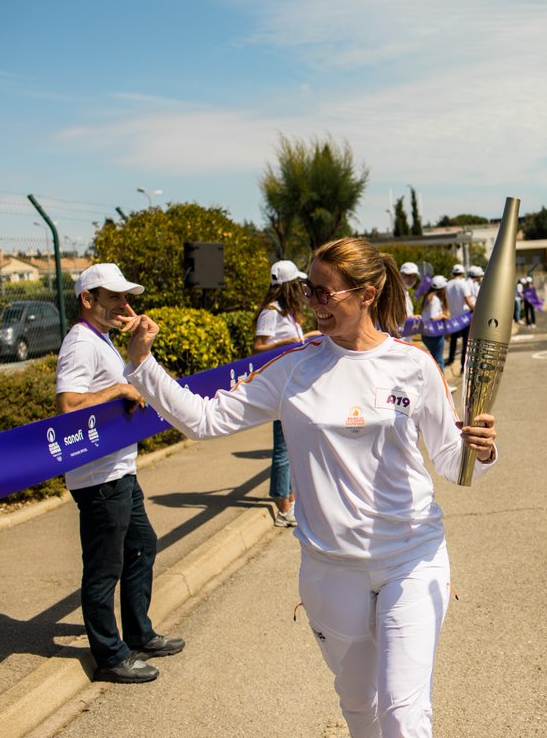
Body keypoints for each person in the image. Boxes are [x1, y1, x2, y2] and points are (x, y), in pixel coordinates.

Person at [120, 238, 499, 737]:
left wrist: (482, 450)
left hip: (412, 555)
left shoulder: (413, 364)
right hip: (330, 568)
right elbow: (207, 421)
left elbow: (452, 461)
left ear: (368, 293)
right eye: (308, 291)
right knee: (360, 705)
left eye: (325, 293)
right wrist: (144, 365)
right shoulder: (294, 367)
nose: (312, 304)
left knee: (405, 714)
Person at [55, 263, 184, 684]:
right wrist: (119, 390)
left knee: (142, 546)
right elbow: (69, 406)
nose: (124, 305)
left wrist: (141, 348)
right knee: (104, 566)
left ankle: (138, 634)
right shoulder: (80, 343)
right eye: (114, 298)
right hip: (98, 477)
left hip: (119, 468)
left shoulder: (103, 339)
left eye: (126, 298)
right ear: (87, 300)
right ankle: (110, 656)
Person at [254, 259, 321, 527]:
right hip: (281, 387)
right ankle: (283, 505)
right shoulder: (271, 312)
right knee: (283, 448)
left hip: (294, 384)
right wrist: (289, 342)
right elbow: (258, 347)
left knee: (293, 445)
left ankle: (291, 499)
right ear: (288, 286)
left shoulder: (286, 312)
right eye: (297, 284)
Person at [444, 263, 475, 374]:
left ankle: (451, 359)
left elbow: (445, 302)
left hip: (453, 317)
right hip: (464, 318)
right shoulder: (463, 284)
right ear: (462, 273)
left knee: (453, 340)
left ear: (453, 273)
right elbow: (468, 301)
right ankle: (463, 366)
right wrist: (477, 309)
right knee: (465, 344)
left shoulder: (447, 284)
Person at [419, 274, 450, 370]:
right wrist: (444, 315)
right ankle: (442, 384)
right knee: (439, 361)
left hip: (425, 333)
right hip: (435, 334)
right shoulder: (435, 299)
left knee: (434, 359)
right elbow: (433, 317)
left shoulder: (427, 297)